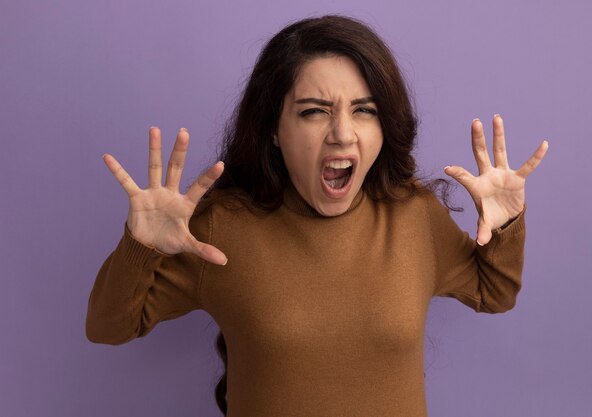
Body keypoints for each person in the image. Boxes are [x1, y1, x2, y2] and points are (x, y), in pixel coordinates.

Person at [85, 15, 548, 417]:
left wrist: (508, 223)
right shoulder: (221, 228)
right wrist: (139, 246)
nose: (343, 133)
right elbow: (109, 327)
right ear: (272, 129)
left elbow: (495, 292)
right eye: (313, 112)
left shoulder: (414, 216)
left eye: (364, 111)